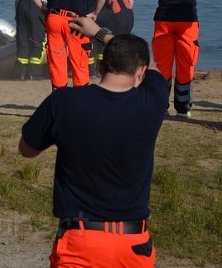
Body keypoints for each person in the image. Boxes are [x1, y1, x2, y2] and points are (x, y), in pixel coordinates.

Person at [19, 17, 168, 268]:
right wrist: (102, 34)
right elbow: (154, 70)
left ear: (100, 67)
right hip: (132, 244)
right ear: (140, 73)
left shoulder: (64, 102)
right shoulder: (152, 103)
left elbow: (26, 149)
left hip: (80, 242)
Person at [152, 0, 203, 117]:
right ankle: (182, 107)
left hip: (164, 19)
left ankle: (161, 105)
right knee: (186, 63)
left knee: (163, 64)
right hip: (187, 21)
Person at [15, 0, 47, 80]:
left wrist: (17, 16)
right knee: (37, 41)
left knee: (22, 40)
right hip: (37, 8)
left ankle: (20, 73)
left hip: (21, 9)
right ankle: (34, 73)